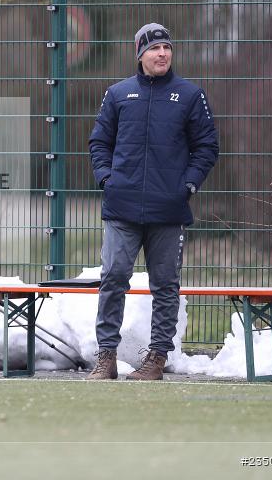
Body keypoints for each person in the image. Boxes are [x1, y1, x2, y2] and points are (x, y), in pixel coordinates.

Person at [87, 23, 219, 381]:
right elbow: (99, 143)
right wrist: (107, 179)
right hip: (121, 207)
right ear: (140, 54)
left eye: (167, 48)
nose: (163, 53)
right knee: (113, 277)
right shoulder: (117, 94)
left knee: (165, 285)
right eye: (155, 48)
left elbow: (207, 146)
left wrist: (188, 185)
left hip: (168, 209)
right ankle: (106, 358)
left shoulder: (190, 95)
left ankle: (156, 360)